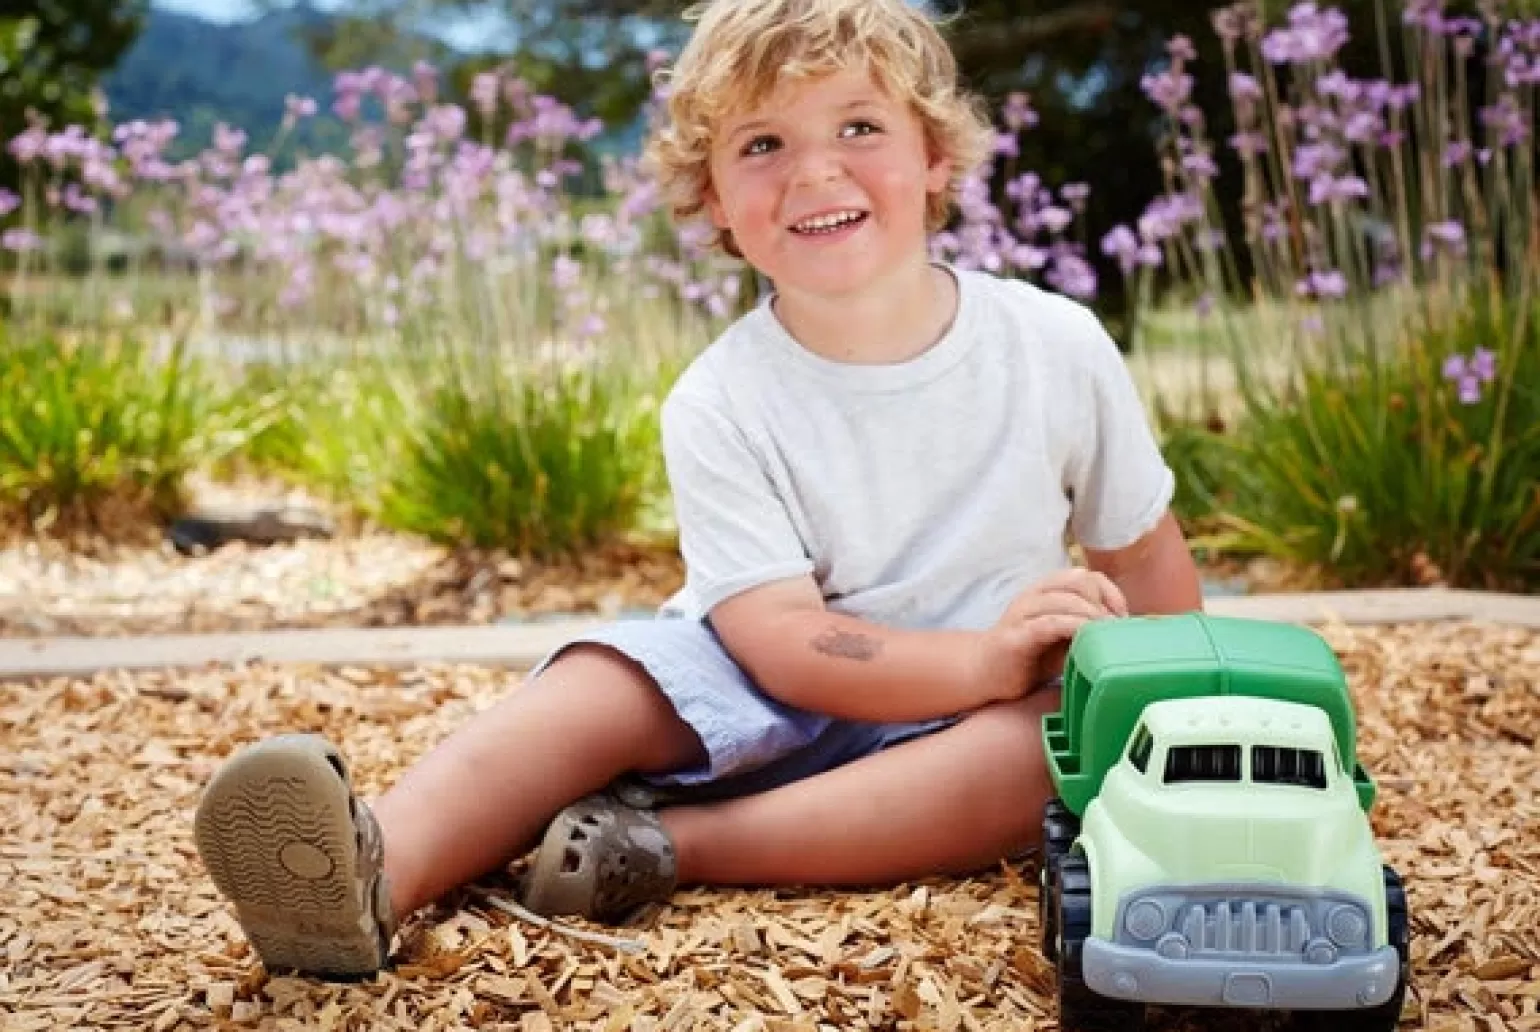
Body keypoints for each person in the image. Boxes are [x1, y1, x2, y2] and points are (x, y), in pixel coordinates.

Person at [192, 0, 1204, 981]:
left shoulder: (1052, 345)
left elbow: (1143, 555)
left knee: (1053, 753)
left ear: (934, 156)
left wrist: (1192, 720)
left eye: (859, 125)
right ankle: (372, 871)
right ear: (715, 200)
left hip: (966, 727)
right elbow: (782, 647)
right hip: (767, 680)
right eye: (761, 145)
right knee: (597, 683)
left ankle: (668, 843)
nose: (815, 169)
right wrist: (978, 659)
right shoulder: (720, 397)